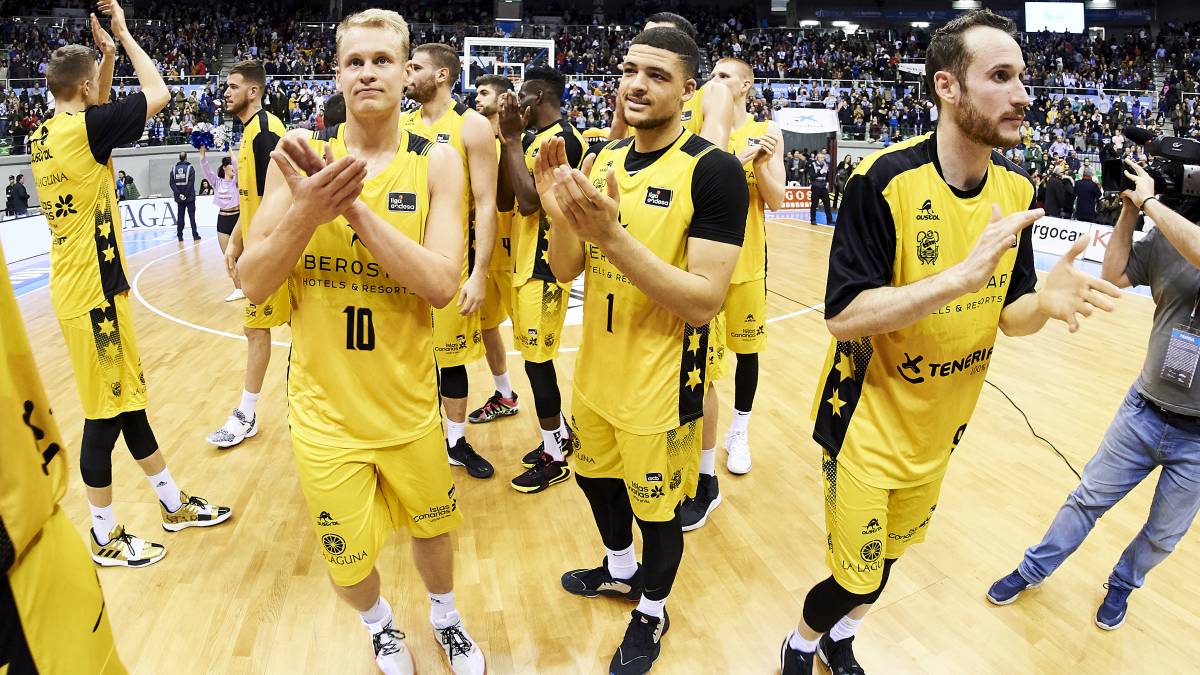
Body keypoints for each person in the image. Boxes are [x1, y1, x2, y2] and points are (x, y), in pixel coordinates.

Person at [778, 11, 1122, 673]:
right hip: (864, 426)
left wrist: (1042, 305)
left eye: (1023, 76)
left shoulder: (1019, 189)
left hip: (940, 431)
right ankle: (799, 643)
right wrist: (959, 277)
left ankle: (840, 638)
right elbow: (845, 315)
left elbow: (1010, 313)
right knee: (856, 573)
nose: (1024, 93)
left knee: (890, 559)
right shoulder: (881, 180)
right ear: (947, 87)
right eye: (1001, 76)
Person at [236, 9, 485, 673]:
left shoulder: (436, 161)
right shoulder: (294, 158)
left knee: (435, 530)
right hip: (325, 414)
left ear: (407, 73)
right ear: (337, 74)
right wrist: (307, 212)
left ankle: (446, 615)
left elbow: (439, 284)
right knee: (347, 560)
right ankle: (380, 624)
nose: (367, 71)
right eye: (354, 61)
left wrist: (351, 210)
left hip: (407, 407)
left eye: (381, 59)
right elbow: (253, 282)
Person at [542, 26, 748, 673]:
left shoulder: (713, 171)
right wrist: (558, 212)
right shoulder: (605, 160)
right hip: (598, 371)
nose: (636, 83)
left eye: (657, 75)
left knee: (658, 510)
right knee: (594, 478)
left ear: (689, 90)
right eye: (630, 69)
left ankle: (653, 609)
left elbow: (703, 300)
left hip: (662, 384)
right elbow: (566, 267)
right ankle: (620, 569)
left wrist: (612, 233)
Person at [28, 0, 231, 569]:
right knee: (102, 417)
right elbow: (159, 93)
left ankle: (171, 503)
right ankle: (103, 534)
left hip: (91, 289)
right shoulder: (86, 128)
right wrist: (123, 35)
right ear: (87, 85)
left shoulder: (49, 133)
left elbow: (95, 112)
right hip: (91, 297)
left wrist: (106, 56)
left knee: (129, 404)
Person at [986, 158, 1200, 630]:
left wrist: (1150, 201)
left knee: (1164, 535)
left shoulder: (1180, 229)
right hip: (1145, 408)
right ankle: (1032, 569)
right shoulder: (1167, 236)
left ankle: (1123, 583)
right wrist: (1129, 209)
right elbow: (1117, 273)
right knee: (1087, 500)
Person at [1, 237, 127, 674]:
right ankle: (107, 533)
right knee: (111, 413)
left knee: (120, 411)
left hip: (32, 531)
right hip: (94, 299)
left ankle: (153, 509)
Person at [679, 57, 785, 530]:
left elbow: (778, 200)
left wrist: (760, 165)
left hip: (745, 265)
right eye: (712, 76)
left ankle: (738, 432)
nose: (714, 83)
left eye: (724, 77)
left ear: (745, 84)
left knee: (747, 352)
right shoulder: (702, 130)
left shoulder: (767, 131)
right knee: (702, 361)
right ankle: (697, 444)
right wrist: (735, 162)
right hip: (703, 266)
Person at [401, 42, 497, 480]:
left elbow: (487, 204)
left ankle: (455, 441)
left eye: (415, 67)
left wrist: (478, 275)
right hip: (401, 263)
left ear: (441, 75)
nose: (406, 74)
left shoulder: (473, 126)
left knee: (451, 360)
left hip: (449, 264)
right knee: (402, 357)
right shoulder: (400, 123)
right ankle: (409, 436)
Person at [496, 66, 586, 493]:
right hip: (523, 263)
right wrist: (508, 140)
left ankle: (555, 454)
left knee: (538, 365)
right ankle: (559, 435)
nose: (515, 100)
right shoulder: (528, 138)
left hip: (547, 267)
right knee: (535, 363)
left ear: (539, 96)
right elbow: (503, 197)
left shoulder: (563, 140)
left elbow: (530, 203)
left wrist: (512, 140)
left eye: (521, 93)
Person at [205, 60, 289, 450]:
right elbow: (254, 199)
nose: (226, 92)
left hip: (277, 252)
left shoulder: (266, 134)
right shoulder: (250, 132)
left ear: (253, 91)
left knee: (258, 329)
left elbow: (282, 196)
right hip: (261, 248)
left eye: (233, 86)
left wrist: (260, 250)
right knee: (259, 328)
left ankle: (246, 414)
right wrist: (237, 240)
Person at [468, 74, 523, 425]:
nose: (477, 96)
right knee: (488, 327)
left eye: (484, 92)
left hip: (518, 253)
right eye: (476, 91)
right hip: (482, 252)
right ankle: (504, 394)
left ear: (504, 99)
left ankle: (558, 425)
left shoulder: (518, 139)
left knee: (534, 347)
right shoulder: (472, 137)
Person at [199, 144, 242, 301]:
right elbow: (204, 166)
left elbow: (237, 165)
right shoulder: (216, 182)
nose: (232, 167)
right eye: (229, 164)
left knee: (242, 257)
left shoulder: (237, 181)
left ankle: (250, 286)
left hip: (237, 219)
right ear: (224, 167)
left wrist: (229, 148)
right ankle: (238, 289)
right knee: (228, 257)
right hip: (222, 220)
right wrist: (202, 151)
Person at [170, 151, 199, 240]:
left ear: (179, 158)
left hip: (179, 198)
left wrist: (179, 194)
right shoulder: (190, 168)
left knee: (180, 217)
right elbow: (191, 182)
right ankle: (195, 235)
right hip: (189, 196)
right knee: (192, 217)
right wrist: (185, 194)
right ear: (186, 157)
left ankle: (180, 236)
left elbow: (172, 183)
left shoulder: (174, 169)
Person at [807, 150, 834, 225]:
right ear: (817, 158)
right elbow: (811, 177)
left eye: (823, 157)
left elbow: (827, 174)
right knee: (814, 204)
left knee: (827, 204)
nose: (822, 159)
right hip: (816, 187)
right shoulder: (813, 165)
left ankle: (829, 220)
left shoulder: (826, 165)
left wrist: (828, 182)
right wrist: (819, 173)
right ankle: (813, 219)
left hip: (823, 187)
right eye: (820, 157)